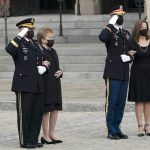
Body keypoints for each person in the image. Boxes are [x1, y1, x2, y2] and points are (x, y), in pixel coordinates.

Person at [5, 18, 49, 148]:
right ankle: (25, 141)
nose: (31, 31)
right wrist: (19, 36)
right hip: (24, 84)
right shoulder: (18, 43)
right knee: (25, 113)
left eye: (32, 29)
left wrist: (45, 68)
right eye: (28, 29)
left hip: (37, 83)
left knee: (37, 113)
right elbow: (9, 49)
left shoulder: (35, 44)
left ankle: (34, 139)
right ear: (22, 30)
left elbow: (45, 59)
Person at [99, 5, 133, 140]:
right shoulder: (109, 31)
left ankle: (117, 128)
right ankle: (111, 130)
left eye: (121, 16)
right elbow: (102, 38)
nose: (120, 18)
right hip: (113, 72)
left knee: (120, 103)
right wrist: (109, 24)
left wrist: (130, 57)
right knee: (111, 102)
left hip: (124, 72)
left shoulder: (126, 33)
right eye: (117, 16)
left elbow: (132, 50)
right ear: (112, 17)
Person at [37, 27, 63, 144]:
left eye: (52, 37)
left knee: (55, 109)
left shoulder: (53, 51)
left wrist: (60, 71)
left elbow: (56, 66)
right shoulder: (39, 51)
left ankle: (52, 133)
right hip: (46, 84)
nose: (52, 39)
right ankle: (45, 135)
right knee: (46, 110)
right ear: (42, 40)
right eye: (49, 38)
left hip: (55, 83)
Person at [128, 20, 150, 137]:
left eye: (145, 27)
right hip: (137, 74)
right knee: (139, 100)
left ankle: (148, 125)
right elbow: (128, 58)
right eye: (142, 27)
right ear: (137, 28)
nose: (144, 29)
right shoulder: (132, 42)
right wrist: (130, 55)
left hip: (149, 74)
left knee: (148, 100)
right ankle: (140, 126)